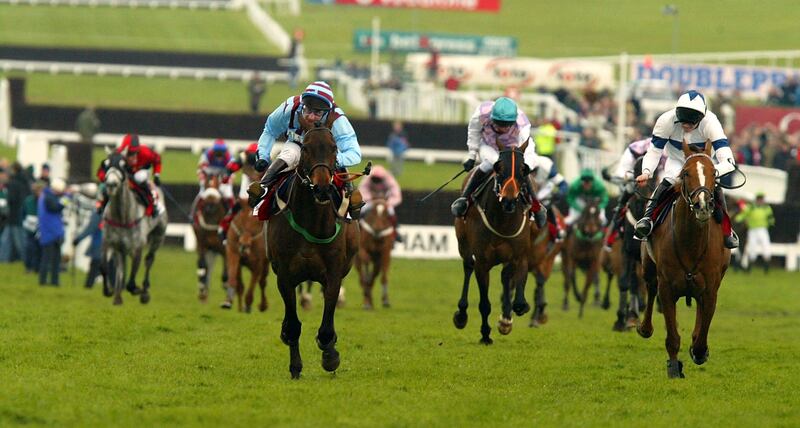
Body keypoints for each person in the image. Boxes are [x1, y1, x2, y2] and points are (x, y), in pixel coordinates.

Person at [634, 90, 739, 249]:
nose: (686, 123)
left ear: (702, 116)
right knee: (669, 180)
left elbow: (729, 161)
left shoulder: (711, 123)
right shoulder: (666, 120)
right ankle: (647, 219)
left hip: (703, 163)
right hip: (677, 161)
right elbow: (654, 151)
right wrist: (646, 172)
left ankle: (727, 231)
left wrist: (709, 173)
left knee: (715, 188)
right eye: (683, 116)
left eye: (692, 118)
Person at [248, 81, 363, 219]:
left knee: (341, 169)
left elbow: (354, 152)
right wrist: (263, 156)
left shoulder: (337, 119)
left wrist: (334, 160)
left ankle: (351, 201)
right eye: (308, 110)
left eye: (317, 112)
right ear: (303, 104)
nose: (311, 117)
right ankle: (263, 187)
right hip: (297, 145)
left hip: (324, 153)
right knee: (289, 154)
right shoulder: (290, 107)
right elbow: (270, 130)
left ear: (327, 111)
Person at [450, 96, 547, 228]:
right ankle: (465, 199)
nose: (502, 128)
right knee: (492, 163)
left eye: (506, 125)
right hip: (490, 145)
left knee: (520, 168)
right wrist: (472, 155)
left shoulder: (522, 123)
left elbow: (526, 147)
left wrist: (524, 165)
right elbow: (474, 132)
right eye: (499, 123)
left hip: (515, 147)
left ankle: (536, 206)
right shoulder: (482, 112)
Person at [601, 138, 658, 250]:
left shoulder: (661, 153)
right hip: (635, 181)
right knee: (627, 192)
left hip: (651, 182)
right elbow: (624, 175)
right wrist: (619, 177)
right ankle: (610, 237)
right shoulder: (634, 151)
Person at [96, 134, 162, 217]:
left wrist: (156, 175)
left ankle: (152, 205)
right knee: (112, 181)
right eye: (130, 153)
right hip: (128, 172)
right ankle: (102, 203)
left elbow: (157, 160)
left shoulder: (145, 152)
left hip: (141, 170)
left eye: (135, 152)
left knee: (138, 178)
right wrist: (103, 177)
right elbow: (103, 168)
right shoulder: (118, 153)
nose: (133, 156)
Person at [218, 143, 260, 241]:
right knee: (241, 202)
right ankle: (224, 228)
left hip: (261, 180)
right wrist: (227, 174)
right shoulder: (243, 157)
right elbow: (231, 167)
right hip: (248, 178)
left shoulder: (266, 158)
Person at [358, 165, 403, 243]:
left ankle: (395, 232)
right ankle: (357, 228)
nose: (376, 182)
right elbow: (362, 190)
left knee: (391, 211)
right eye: (374, 179)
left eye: (378, 179)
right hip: (371, 201)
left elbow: (396, 195)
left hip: (385, 201)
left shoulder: (389, 179)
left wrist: (388, 203)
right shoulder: (367, 178)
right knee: (362, 209)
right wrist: (370, 198)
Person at [72, 183, 104, 288]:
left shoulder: (99, 209)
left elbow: (91, 227)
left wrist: (78, 239)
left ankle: (89, 285)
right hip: (108, 241)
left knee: (95, 263)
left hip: (99, 241)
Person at [38, 178, 68, 286]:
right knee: (47, 259)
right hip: (50, 233)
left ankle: (53, 281)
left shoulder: (46, 196)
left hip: (53, 232)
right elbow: (56, 207)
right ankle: (44, 281)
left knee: (55, 259)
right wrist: (67, 198)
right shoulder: (48, 197)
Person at [734, 192, 775, 273]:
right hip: (752, 230)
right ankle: (750, 265)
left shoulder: (766, 208)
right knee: (751, 248)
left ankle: (766, 265)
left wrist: (771, 223)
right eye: (758, 198)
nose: (760, 200)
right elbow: (744, 215)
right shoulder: (751, 207)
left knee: (766, 246)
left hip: (763, 229)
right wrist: (737, 219)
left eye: (761, 199)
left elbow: (770, 217)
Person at [530, 155, 568, 239]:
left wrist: (559, 193)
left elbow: (563, 184)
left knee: (546, 205)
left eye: (534, 170)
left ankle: (556, 230)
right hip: (528, 191)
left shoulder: (547, 167)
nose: (532, 174)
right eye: (530, 171)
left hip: (543, 190)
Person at [0, 162, 31, 262]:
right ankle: (4, 260)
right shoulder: (24, 181)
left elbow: (11, 199)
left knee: (18, 242)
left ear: (14, 170)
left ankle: (25, 260)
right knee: (6, 240)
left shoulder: (13, 183)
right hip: (19, 216)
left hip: (14, 216)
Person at [197, 139, 235, 210]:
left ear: (225, 151)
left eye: (221, 152)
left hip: (223, 174)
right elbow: (200, 169)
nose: (219, 154)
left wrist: (226, 182)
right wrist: (202, 181)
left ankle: (232, 212)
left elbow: (232, 173)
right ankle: (195, 213)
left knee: (228, 194)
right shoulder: (207, 154)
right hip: (209, 173)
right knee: (201, 194)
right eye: (217, 152)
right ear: (213, 151)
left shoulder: (229, 157)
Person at [23, 180, 45, 273]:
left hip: (42, 228)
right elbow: (23, 213)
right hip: (30, 228)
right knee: (30, 248)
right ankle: (28, 267)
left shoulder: (45, 201)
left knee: (40, 249)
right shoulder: (28, 200)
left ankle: (37, 268)